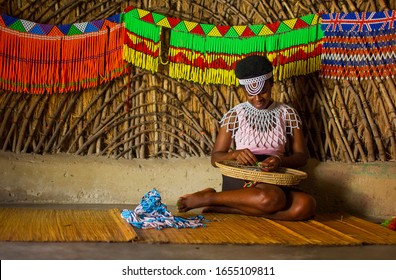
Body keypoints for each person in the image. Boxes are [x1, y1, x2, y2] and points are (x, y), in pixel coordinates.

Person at [177, 55, 316, 221]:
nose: (257, 99)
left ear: (272, 83)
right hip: (242, 176)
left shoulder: (287, 114)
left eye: (263, 91)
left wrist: (280, 160)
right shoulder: (235, 115)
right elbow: (216, 158)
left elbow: (301, 157)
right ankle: (209, 198)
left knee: (307, 205)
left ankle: (222, 207)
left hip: (275, 176)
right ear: (243, 89)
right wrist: (235, 154)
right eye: (251, 93)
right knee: (272, 198)